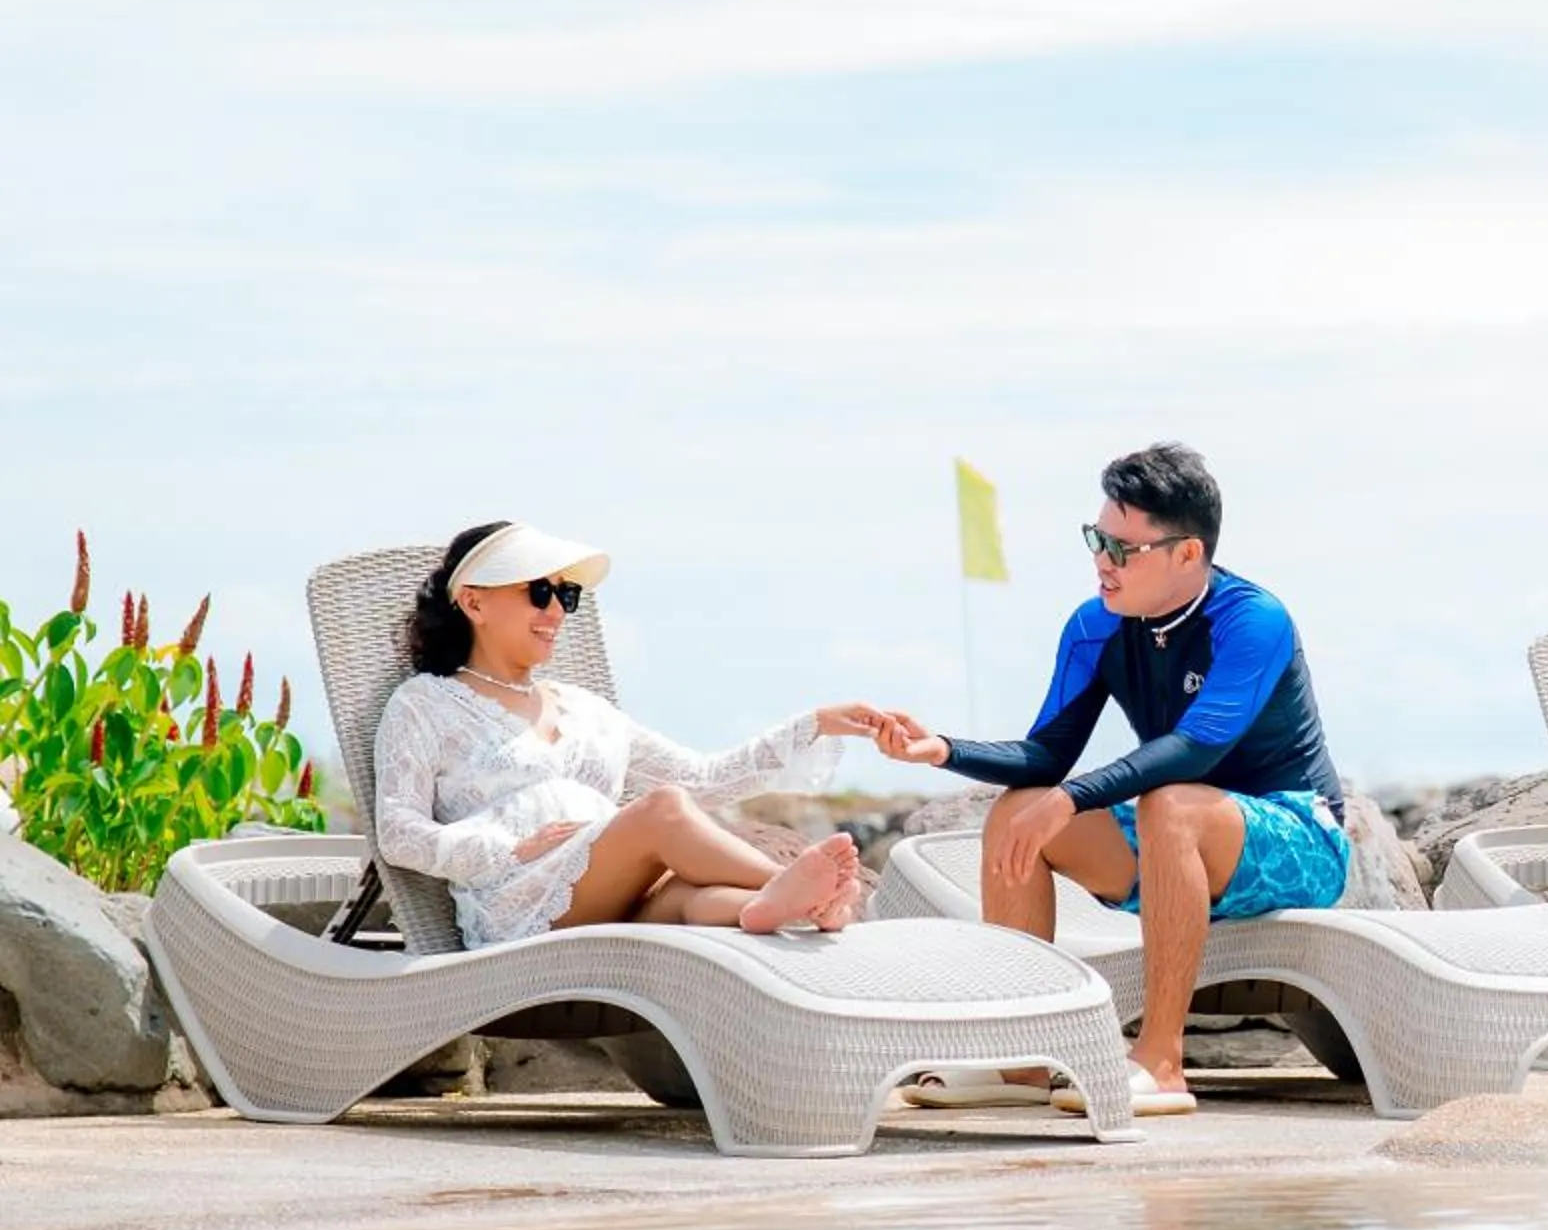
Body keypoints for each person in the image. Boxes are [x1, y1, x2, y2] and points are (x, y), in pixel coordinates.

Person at [878, 443, 1350, 1116]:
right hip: (1178, 834)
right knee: (1019, 810)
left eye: (1123, 547)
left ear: (1188, 554)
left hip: (1300, 835)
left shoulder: (1253, 620)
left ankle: (1161, 1062)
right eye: (1098, 538)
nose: (1103, 559)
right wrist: (941, 749)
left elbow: (1197, 747)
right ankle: (1023, 1064)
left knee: (1169, 804)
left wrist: (1072, 798)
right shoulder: (1096, 625)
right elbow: (1047, 756)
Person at [372, 520, 922, 948]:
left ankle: (786, 903)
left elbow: (704, 779)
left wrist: (815, 725)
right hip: (519, 905)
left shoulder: (586, 710)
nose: (556, 613)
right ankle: (790, 884)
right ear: (473, 601)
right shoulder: (426, 704)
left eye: (566, 597)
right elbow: (397, 829)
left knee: (696, 897)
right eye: (539, 592)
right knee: (662, 811)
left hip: (616, 899)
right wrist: (507, 848)